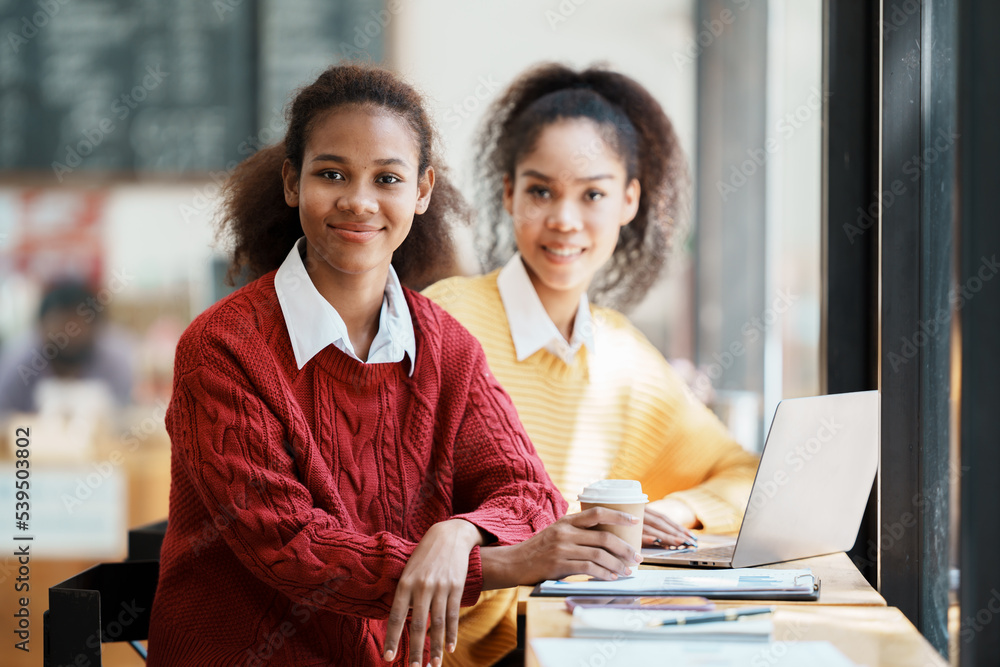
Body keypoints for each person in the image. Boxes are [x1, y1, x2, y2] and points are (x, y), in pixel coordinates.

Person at [147, 63, 644, 667]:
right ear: (290, 181)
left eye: (387, 178)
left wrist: (456, 536)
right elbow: (292, 547)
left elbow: (528, 492)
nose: (359, 201)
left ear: (422, 190)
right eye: (332, 173)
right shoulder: (221, 349)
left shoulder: (446, 347)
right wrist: (505, 562)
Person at [424, 63, 759, 545]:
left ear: (628, 201)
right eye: (541, 191)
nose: (564, 219)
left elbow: (742, 473)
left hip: (575, 621)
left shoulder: (626, 359)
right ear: (509, 193)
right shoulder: (444, 322)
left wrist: (669, 512)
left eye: (593, 194)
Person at [0, 278, 133, 418]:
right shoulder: (19, 362)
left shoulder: (115, 361)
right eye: (62, 323)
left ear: (97, 327)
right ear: (41, 326)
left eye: (79, 325)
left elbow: (124, 415)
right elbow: (4, 414)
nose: (71, 335)